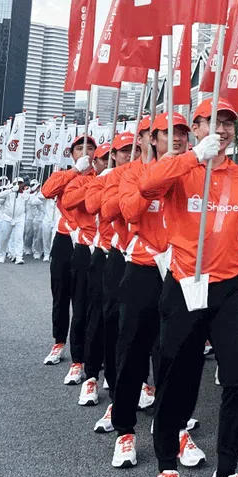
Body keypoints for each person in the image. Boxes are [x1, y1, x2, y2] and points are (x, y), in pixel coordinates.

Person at [139, 98, 238, 477]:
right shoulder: (181, 168)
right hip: (185, 285)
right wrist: (192, 155)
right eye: (214, 122)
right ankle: (166, 468)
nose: (223, 130)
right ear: (196, 127)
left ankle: (226, 474)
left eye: (229, 123)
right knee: (178, 380)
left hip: (229, 288)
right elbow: (146, 185)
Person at [111, 114, 197, 470]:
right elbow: (129, 209)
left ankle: (174, 428)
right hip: (144, 271)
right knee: (132, 353)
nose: (175, 138)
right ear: (151, 137)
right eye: (167, 133)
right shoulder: (133, 172)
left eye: (182, 132)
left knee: (177, 357)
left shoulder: (194, 171)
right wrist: (160, 173)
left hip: (180, 275)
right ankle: (125, 430)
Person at [92, 132, 137, 434]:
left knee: (150, 334)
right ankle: (114, 393)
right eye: (122, 151)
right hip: (118, 254)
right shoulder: (112, 176)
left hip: (155, 261)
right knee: (114, 324)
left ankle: (157, 399)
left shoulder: (154, 172)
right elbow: (100, 208)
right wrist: (114, 180)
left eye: (134, 149)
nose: (128, 155)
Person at [41, 134, 97, 372]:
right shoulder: (63, 175)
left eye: (90, 148)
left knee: (84, 298)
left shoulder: (99, 177)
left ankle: (85, 348)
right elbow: (47, 191)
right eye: (79, 148)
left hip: (87, 242)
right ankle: (59, 341)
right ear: (72, 153)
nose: (86, 152)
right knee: (61, 293)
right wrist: (75, 170)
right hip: (65, 239)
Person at [78, 143, 114, 407]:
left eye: (130, 150)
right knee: (97, 318)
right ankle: (91, 375)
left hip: (139, 260)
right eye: (109, 156)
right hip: (104, 254)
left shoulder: (142, 175)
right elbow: (90, 206)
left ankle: (128, 381)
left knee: (126, 326)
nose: (125, 156)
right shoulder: (97, 182)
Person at [0, 177, 29, 264]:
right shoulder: (8, 192)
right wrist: (11, 190)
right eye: (17, 183)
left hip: (19, 218)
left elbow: (27, 204)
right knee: (4, 237)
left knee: (18, 238)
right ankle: (1, 255)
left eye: (21, 183)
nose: (19, 185)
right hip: (7, 217)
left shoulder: (25, 194)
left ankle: (18, 256)